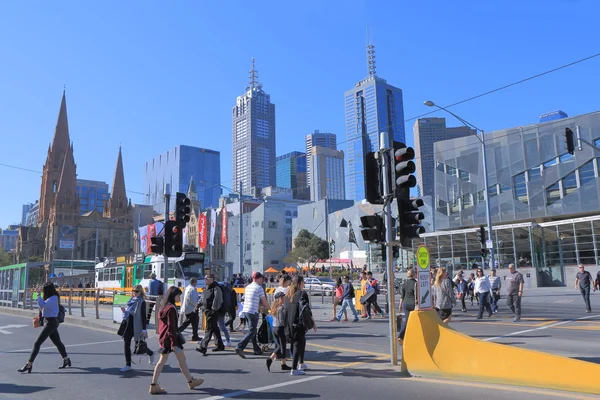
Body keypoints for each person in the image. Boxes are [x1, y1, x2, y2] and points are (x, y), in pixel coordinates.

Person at [149, 287, 203, 395]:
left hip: (165, 338)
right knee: (180, 361)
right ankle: (190, 381)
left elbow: (164, 326)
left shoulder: (163, 306)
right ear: (173, 296)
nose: (180, 297)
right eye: (178, 295)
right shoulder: (172, 308)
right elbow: (171, 327)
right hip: (172, 339)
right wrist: (173, 343)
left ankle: (154, 385)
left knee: (166, 361)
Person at [18, 282, 70, 373]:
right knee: (57, 342)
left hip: (51, 322)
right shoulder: (50, 297)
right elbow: (41, 305)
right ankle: (66, 359)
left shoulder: (53, 298)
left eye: (43, 290)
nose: (42, 292)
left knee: (37, 343)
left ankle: (29, 364)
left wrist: (38, 294)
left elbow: (42, 304)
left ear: (48, 290)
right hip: (49, 321)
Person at [284, 275, 317, 375]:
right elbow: (307, 310)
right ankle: (294, 369)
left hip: (288, 323)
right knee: (297, 344)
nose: (304, 284)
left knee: (301, 342)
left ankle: (301, 363)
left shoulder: (288, 295)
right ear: (300, 283)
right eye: (303, 282)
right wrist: (313, 323)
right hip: (298, 323)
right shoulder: (302, 293)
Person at [119, 284, 154, 372]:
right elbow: (127, 313)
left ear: (140, 292)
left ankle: (150, 353)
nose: (134, 293)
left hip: (137, 325)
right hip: (128, 325)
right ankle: (128, 364)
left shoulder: (141, 301)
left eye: (136, 291)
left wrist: (144, 329)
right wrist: (124, 311)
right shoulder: (130, 300)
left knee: (140, 345)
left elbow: (143, 316)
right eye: (133, 291)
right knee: (126, 345)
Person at [235, 272, 270, 358]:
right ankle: (240, 347)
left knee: (253, 331)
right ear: (259, 278)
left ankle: (256, 349)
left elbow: (250, 299)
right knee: (251, 331)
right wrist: (269, 309)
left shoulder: (248, 287)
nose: (262, 281)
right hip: (253, 311)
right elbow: (264, 301)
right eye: (261, 279)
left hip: (246, 310)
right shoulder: (259, 288)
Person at [196, 274, 224, 355]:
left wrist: (213, 310)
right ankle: (220, 345)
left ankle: (203, 347)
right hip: (207, 311)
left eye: (206, 279)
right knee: (214, 328)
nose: (205, 280)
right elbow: (203, 298)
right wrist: (198, 305)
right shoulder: (207, 288)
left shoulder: (216, 288)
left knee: (209, 329)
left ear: (211, 280)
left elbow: (218, 300)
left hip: (212, 312)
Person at [266, 291, 291, 372]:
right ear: (280, 299)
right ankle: (270, 359)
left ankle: (283, 364)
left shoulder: (274, 307)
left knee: (281, 346)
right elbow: (281, 321)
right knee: (281, 346)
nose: (285, 298)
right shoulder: (281, 308)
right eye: (283, 297)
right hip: (280, 328)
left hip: (274, 328)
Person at [398, 269, 417, 344]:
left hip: (405, 304)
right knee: (410, 321)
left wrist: (400, 305)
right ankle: (401, 336)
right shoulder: (416, 283)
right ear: (414, 275)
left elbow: (402, 296)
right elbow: (417, 295)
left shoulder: (404, 284)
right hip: (413, 304)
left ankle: (405, 336)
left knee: (407, 319)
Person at [178, 277, 200, 341]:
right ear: (194, 282)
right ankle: (177, 331)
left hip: (188, 308)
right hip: (191, 309)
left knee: (193, 322)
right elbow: (192, 300)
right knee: (189, 322)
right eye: (196, 282)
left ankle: (195, 336)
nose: (196, 283)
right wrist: (197, 305)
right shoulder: (192, 289)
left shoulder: (187, 288)